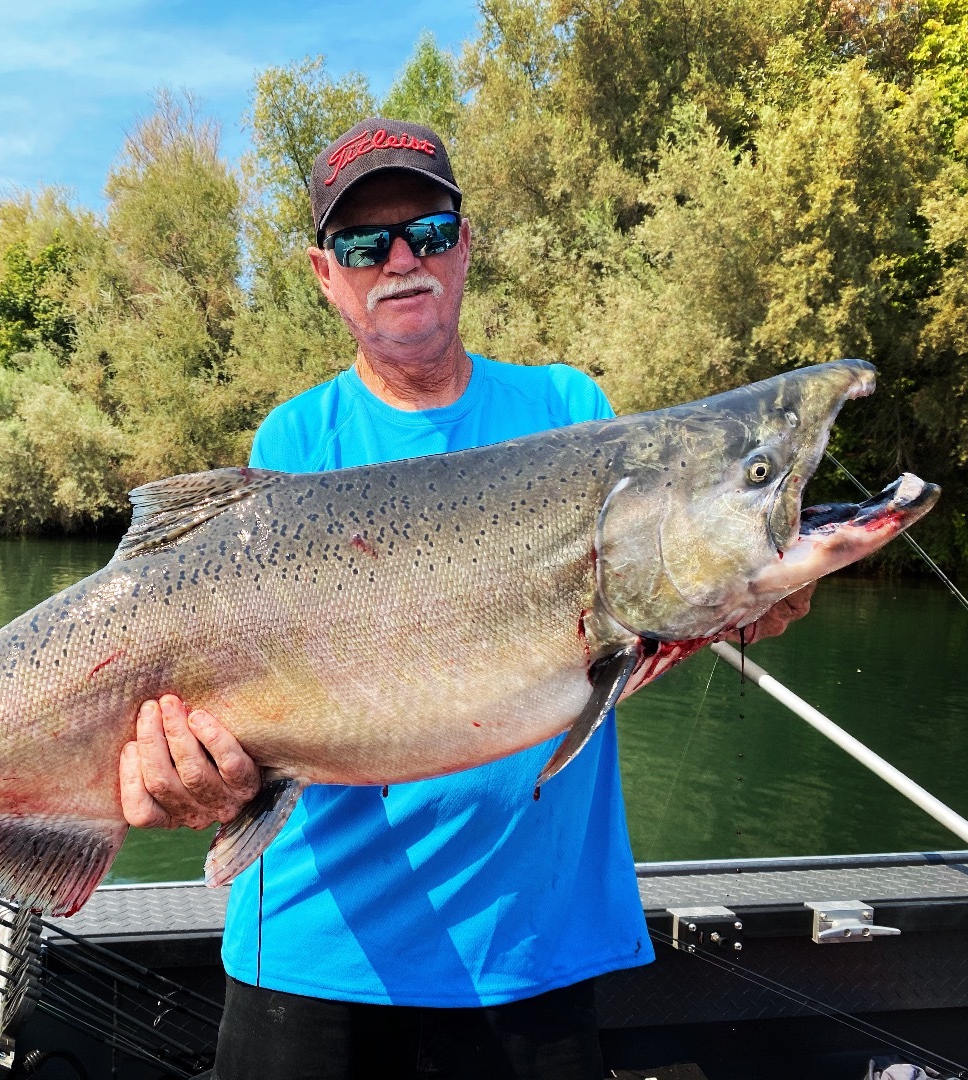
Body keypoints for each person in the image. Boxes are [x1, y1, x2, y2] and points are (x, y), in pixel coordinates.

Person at [117, 118, 812, 1079]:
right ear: (327, 275)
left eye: (427, 233)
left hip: (532, 950)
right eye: (365, 245)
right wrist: (199, 777)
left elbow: (652, 595)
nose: (400, 260)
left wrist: (740, 594)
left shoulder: (571, 412)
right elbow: (253, 723)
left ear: (464, 245)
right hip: (319, 956)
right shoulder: (296, 442)